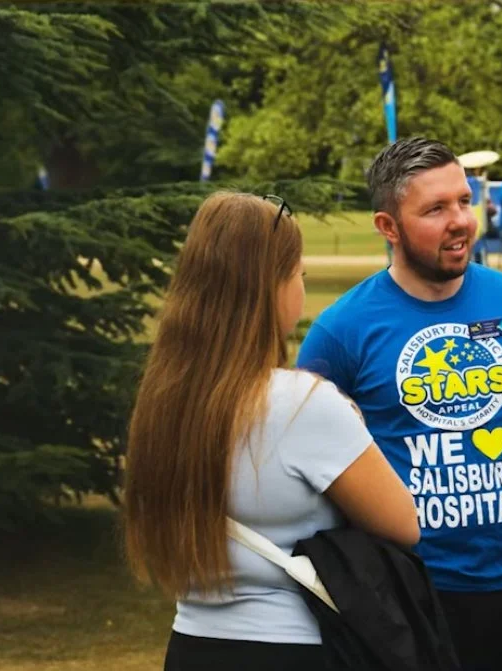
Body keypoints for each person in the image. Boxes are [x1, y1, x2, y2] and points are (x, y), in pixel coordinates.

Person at [296, 137, 502, 671]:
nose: (460, 221)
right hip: (414, 596)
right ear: (388, 227)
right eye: (435, 209)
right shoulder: (342, 330)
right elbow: (308, 462)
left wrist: (495, 512)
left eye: (462, 200)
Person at [122, 192, 419, 670]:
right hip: (290, 646)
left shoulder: (164, 402)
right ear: (272, 287)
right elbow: (403, 523)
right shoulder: (304, 406)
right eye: (297, 274)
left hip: (191, 644)